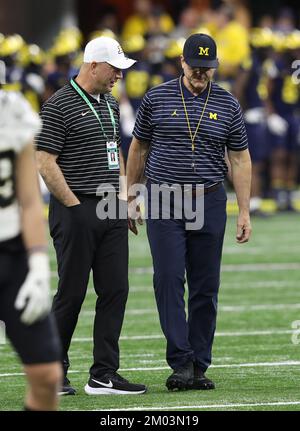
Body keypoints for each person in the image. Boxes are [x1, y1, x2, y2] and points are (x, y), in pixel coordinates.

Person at [126, 33, 252, 391]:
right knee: (167, 278)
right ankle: (180, 360)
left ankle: (199, 363)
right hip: (164, 199)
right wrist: (130, 196)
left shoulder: (228, 104)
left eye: (207, 68)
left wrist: (244, 211)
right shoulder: (157, 97)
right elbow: (139, 148)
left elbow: (240, 159)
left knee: (205, 285)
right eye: (195, 67)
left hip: (209, 199)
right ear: (181, 63)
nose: (201, 74)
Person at [36, 36, 147, 396]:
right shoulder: (58, 105)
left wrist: (127, 199)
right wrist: (73, 206)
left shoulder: (111, 105)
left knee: (116, 289)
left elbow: (115, 157)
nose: (118, 75)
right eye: (114, 68)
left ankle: (104, 373)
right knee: (71, 292)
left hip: (110, 207)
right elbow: (45, 162)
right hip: (76, 208)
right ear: (94, 65)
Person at [0, 87, 62, 410]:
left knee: (47, 377)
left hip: (11, 251)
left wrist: (38, 264)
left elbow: (29, 200)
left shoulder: (12, 111)